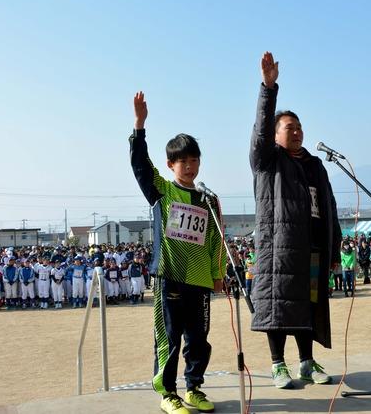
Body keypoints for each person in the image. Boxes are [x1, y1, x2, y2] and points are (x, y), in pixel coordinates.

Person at [249, 52, 342, 390]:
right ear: (275, 135)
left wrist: (334, 249)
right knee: (277, 306)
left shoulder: (316, 165)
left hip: (313, 247)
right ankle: (278, 365)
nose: (298, 132)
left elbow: (329, 207)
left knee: (308, 304)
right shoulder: (267, 162)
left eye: (300, 127)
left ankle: (306, 362)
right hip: (279, 249)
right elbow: (260, 131)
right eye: (290, 128)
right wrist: (268, 88)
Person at [130, 90, 226, 414]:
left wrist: (218, 274)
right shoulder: (163, 190)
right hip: (170, 277)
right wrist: (139, 126)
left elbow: (216, 239)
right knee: (169, 339)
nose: (190, 165)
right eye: (183, 160)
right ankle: (167, 393)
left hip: (199, 280)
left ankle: (194, 387)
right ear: (171, 164)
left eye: (194, 159)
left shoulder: (208, 199)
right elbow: (141, 167)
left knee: (199, 339)